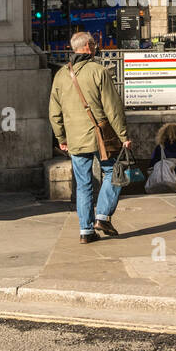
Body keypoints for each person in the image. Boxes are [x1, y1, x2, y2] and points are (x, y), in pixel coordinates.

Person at [49, 31, 132, 244]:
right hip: (99, 136)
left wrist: (61, 137)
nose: (95, 47)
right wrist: (123, 135)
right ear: (86, 47)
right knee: (114, 172)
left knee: (83, 184)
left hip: (75, 139)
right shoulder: (99, 71)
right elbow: (112, 107)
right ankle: (103, 217)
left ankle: (86, 230)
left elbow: (54, 112)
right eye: (93, 44)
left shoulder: (60, 75)